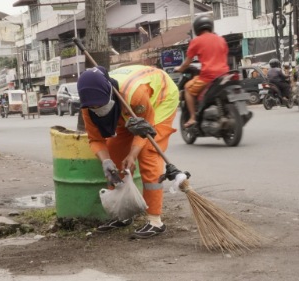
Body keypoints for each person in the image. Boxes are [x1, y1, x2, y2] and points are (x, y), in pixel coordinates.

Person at [77, 65, 179, 239]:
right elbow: (95, 139)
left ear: (108, 94)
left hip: (159, 99)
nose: (96, 108)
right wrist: (106, 161)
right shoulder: (88, 108)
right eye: (92, 106)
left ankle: (155, 221)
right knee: (114, 153)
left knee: (148, 153)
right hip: (125, 108)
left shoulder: (134, 94)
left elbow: (146, 127)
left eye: (99, 104)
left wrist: (132, 155)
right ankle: (123, 215)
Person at [173, 15, 229, 128]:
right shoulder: (221, 39)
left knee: (188, 88)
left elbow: (187, 62)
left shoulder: (196, 41)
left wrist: (179, 69)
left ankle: (193, 117)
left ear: (197, 28)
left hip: (208, 76)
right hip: (225, 74)